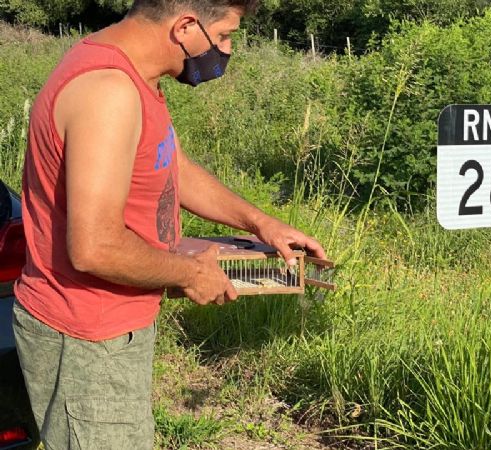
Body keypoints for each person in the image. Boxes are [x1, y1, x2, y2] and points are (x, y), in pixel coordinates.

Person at [11, 0, 326, 448]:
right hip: (88, 337)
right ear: (185, 26)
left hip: (111, 327)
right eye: (223, 35)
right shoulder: (109, 92)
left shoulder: (135, 75)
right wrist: (191, 274)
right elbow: (95, 247)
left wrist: (260, 222)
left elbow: (171, 164)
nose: (226, 49)